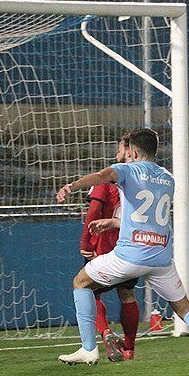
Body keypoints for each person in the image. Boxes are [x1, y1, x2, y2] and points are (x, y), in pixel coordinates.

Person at [56, 128, 189, 372]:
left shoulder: (127, 170)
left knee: (81, 282)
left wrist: (72, 186)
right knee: (185, 309)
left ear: (134, 152)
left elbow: (101, 175)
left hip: (129, 255)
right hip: (161, 259)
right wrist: (115, 222)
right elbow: (147, 217)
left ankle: (88, 349)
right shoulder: (168, 178)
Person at [79, 136, 140, 362]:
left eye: (119, 148)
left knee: (87, 290)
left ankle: (105, 333)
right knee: (127, 294)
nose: (116, 152)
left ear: (128, 151)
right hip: (132, 246)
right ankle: (129, 348)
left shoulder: (107, 178)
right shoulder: (143, 180)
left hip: (104, 245)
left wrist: (85, 242)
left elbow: (94, 211)